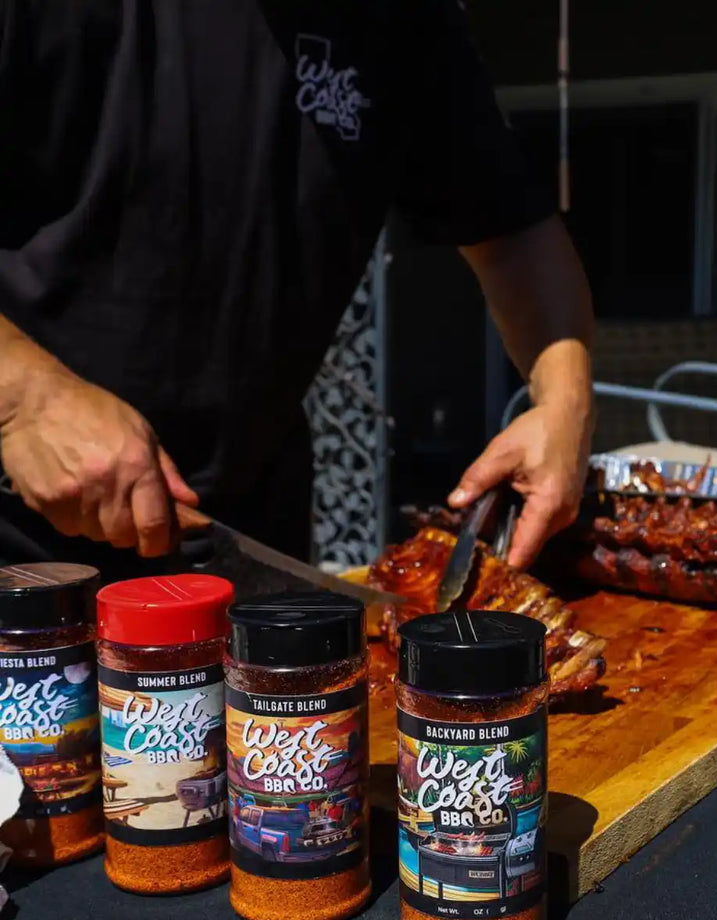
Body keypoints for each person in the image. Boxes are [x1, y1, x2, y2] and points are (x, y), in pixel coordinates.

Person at [0, 1, 594, 580]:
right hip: (20, 537)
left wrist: (565, 403)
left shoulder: (406, 18)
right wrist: (27, 401)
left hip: (247, 536)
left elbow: (513, 232)